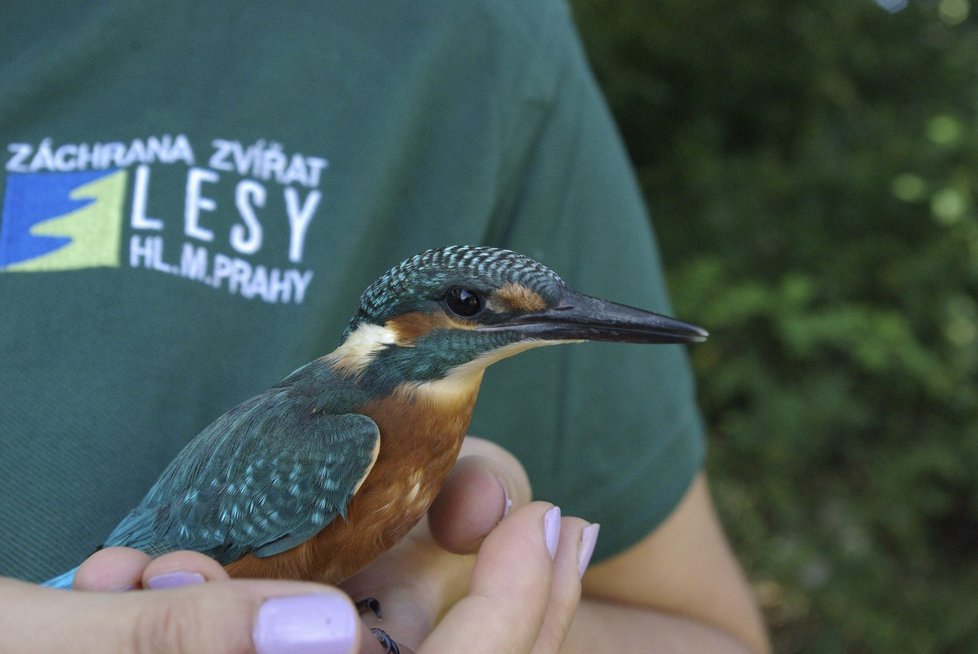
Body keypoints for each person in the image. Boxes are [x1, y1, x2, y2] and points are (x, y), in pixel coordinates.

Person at [0, 1, 770, 652]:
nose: (507, 324)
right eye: (471, 308)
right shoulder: (337, 429)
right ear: (401, 328)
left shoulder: (493, 39)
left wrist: (483, 598)